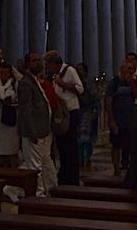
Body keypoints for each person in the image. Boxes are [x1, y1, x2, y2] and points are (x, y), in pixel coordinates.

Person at [18, 52, 57, 196]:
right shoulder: (26, 83)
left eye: (39, 60)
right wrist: (32, 131)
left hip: (43, 131)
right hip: (33, 132)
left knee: (45, 162)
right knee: (35, 167)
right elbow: (25, 110)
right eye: (34, 61)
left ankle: (51, 188)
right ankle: (38, 195)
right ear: (28, 64)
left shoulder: (35, 80)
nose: (38, 63)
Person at [44, 49, 83, 185]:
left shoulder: (70, 71)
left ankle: (72, 176)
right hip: (61, 113)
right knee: (62, 146)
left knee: (70, 145)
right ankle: (64, 174)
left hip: (71, 112)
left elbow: (80, 89)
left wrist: (62, 83)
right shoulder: (55, 75)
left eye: (48, 64)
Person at [105, 55, 137, 174]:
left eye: (132, 69)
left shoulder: (132, 82)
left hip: (131, 118)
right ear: (122, 69)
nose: (130, 71)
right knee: (116, 145)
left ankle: (131, 168)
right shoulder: (114, 83)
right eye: (128, 69)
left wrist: (132, 83)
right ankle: (117, 169)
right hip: (118, 118)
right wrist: (111, 120)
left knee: (131, 144)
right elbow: (108, 102)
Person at [76, 62, 98, 172]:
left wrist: (94, 111)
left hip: (87, 112)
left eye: (80, 69)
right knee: (78, 137)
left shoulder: (89, 83)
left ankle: (87, 157)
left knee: (86, 137)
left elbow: (94, 97)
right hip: (78, 112)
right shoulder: (75, 82)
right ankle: (79, 158)